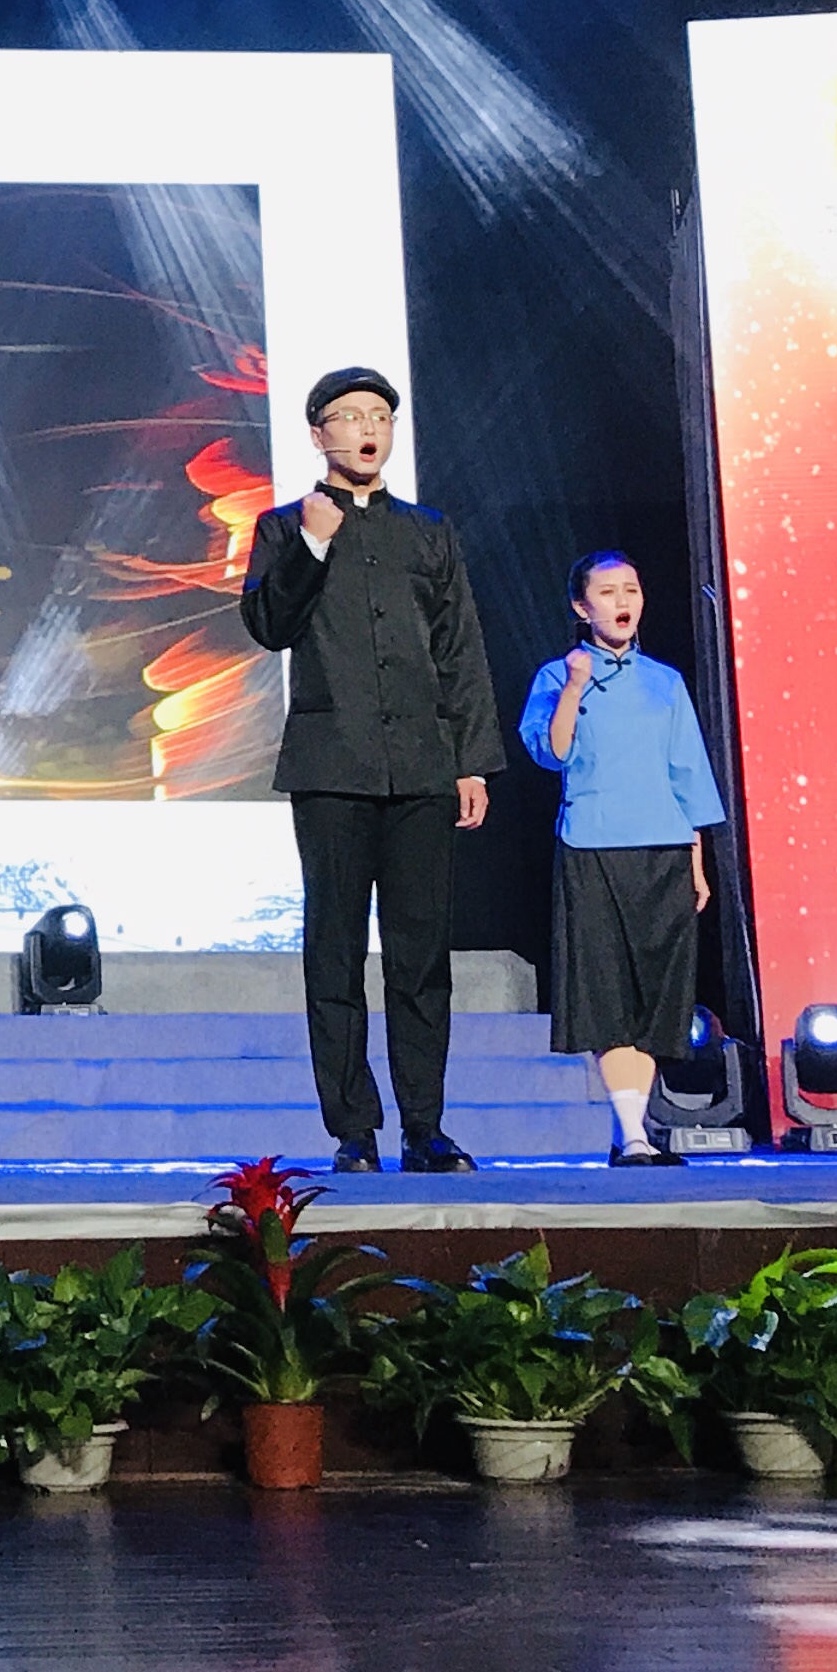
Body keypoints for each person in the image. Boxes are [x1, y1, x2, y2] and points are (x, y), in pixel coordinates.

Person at [237, 366, 503, 1174]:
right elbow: (269, 625)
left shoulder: (429, 532)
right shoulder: (284, 528)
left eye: (380, 416)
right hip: (332, 767)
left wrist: (471, 762)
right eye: (351, 417)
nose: (368, 429)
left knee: (421, 956)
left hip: (422, 768)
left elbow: (460, 648)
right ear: (319, 434)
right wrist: (314, 544)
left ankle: (425, 1127)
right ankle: (353, 1127)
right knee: (336, 951)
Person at [516, 553, 724, 1168]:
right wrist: (574, 685)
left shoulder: (665, 682)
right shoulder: (556, 675)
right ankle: (632, 1134)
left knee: (657, 997)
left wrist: (696, 860)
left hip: (664, 849)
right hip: (594, 847)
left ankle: (633, 1131)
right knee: (607, 995)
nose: (622, 601)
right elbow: (552, 753)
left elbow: (688, 772)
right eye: (607, 592)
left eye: (631, 589)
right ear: (582, 608)